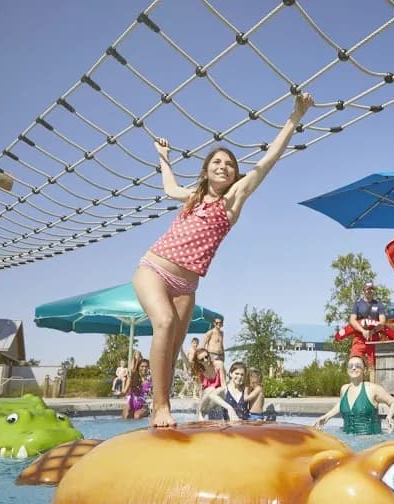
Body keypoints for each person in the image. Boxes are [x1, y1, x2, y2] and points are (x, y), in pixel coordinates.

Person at [131, 93, 314, 427]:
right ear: (206, 170)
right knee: (165, 324)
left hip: (186, 285)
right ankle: (160, 408)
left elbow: (268, 161)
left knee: (173, 350)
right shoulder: (194, 195)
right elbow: (171, 187)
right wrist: (164, 158)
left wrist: (294, 118)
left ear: (234, 176)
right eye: (217, 162)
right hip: (154, 268)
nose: (223, 166)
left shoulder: (233, 202)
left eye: (229, 165)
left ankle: (163, 406)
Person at [313, 356, 394, 434]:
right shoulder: (344, 389)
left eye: (357, 366)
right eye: (351, 366)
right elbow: (341, 404)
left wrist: (389, 416)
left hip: (371, 441)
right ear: (347, 370)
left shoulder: (372, 389)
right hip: (347, 440)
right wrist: (326, 417)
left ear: (364, 370)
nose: (353, 368)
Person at [348, 282, 387, 383]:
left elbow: (382, 321)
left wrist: (372, 331)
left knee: (372, 366)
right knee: (354, 362)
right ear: (364, 290)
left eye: (371, 289)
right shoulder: (357, 304)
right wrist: (363, 331)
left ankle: (372, 392)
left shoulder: (379, 305)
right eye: (367, 289)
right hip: (359, 338)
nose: (369, 291)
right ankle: (355, 387)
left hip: (373, 338)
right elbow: (352, 320)